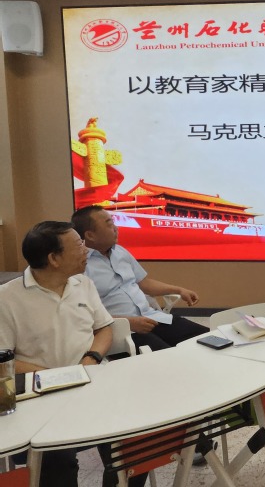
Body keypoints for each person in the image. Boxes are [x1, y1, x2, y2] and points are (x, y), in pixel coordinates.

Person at [0, 221, 128, 487]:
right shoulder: (7, 298)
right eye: (79, 245)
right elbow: (4, 360)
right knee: (56, 460)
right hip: (40, 395)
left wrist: (91, 359)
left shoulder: (83, 283)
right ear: (54, 259)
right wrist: (56, 376)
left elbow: (104, 328)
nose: (86, 250)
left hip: (91, 380)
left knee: (134, 442)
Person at [71, 206, 207, 351]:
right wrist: (127, 322)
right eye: (109, 224)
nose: (116, 228)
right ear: (90, 235)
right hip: (121, 331)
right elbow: (84, 314)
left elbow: (145, 283)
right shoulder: (80, 266)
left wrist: (179, 290)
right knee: (172, 356)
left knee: (207, 339)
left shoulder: (120, 252)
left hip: (152, 317)